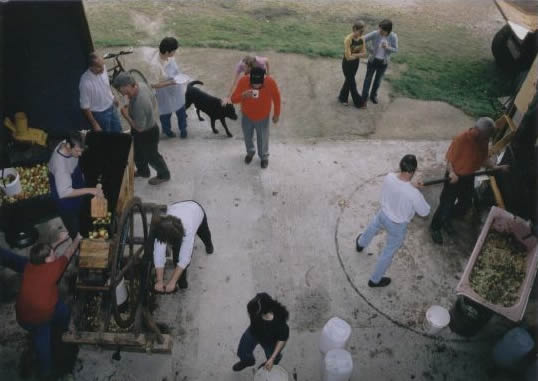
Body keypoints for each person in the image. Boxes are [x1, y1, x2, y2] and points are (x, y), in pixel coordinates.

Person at [355, 154, 430, 287]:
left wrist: (412, 185)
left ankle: (361, 244)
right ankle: (375, 280)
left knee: (373, 226)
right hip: (397, 225)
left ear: (400, 165)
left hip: (383, 214)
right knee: (388, 252)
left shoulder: (389, 177)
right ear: (413, 171)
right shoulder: (414, 194)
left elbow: (399, 183)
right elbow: (425, 212)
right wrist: (417, 189)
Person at [16, 234, 82, 379]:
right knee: (43, 348)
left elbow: (45, 250)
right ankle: (47, 374)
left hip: (22, 315)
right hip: (38, 319)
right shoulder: (54, 269)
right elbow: (68, 253)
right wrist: (77, 239)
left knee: (63, 310)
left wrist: (61, 239)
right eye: (52, 255)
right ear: (46, 260)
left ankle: (60, 330)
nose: (55, 254)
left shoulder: (30, 265)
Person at [430, 117, 502, 244]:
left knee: (466, 203)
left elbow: (483, 159)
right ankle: (435, 227)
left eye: (488, 137)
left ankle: (447, 218)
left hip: (469, 176)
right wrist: (452, 173)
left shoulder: (483, 141)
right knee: (446, 204)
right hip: (454, 177)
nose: (488, 139)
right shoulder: (461, 139)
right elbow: (450, 160)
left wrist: (495, 167)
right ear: (478, 132)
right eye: (487, 136)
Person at [113, 72, 171, 185]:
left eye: (121, 90)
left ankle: (164, 175)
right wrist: (129, 103)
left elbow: (140, 128)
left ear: (127, 86)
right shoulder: (140, 85)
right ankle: (143, 171)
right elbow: (152, 98)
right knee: (138, 152)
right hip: (142, 128)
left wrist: (126, 116)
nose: (121, 93)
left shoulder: (140, 102)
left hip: (147, 132)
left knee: (152, 156)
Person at [49, 131, 103, 239]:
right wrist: (90, 190)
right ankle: (77, 241)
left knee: (82, 208)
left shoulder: (69, 141)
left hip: (73, 174)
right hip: (64, 193)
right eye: (78, 151)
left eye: (81, 151)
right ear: (68, 146)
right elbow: (65, 192)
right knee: (73, 221)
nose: (80, 154)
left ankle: (83, 221)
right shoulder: (60, 166)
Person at [152, 201, 214, 293]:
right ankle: (182, 283)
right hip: (178, 206)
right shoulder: (162, 228)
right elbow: (158, 255)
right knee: (176, 256)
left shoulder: (189, 230)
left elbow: (185, 259)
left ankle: (209, 246)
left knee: (205, 234)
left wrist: (172, 282)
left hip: (196, 209)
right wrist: (159, 281)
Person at [231, 67, 281, 169]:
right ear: (250, 78)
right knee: (247, 136)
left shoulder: (270, 82)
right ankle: (250, 152)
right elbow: (233, 99)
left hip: (263, 117)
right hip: (247, 116)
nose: (256, 86)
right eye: (253, 83)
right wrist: (243, 96)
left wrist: (276, 114)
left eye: (259, 84)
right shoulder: (243, 80)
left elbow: (277, 98)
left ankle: (263, 157)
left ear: (264, 78)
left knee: (263, 138)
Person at [233, 293, 289, 372]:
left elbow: (282, 340)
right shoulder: (260, 301)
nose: (250, 315)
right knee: (242, 350)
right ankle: (248, 361)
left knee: (272, 355)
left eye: (252, 314)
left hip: (270, 340)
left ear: (263, 313)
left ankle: (271, 362)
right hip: (254, 331)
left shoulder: (280, 324)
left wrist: (272, 358)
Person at [149, 37, 188, 139]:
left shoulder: (169, 57)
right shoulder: (155, 65)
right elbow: (153, 84)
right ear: (167, 52)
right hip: (164, 93)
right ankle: (167, 131)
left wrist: (180, 76)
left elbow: (175, 70)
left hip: (176, 89)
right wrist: (170, 82)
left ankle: (183, 129)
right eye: (174, 50)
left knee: (181, 110)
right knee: (166, 113)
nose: (175, 52)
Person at [358, 19, 398, 108]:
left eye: (382, 30)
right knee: (368, 80)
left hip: (383, 63)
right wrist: (370, 49)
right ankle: (364, 98)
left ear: (388, 31)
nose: (380, 31)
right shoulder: (375, 33)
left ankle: (373, 96)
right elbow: (362, 39)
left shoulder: (393, 37)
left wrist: (387, 47)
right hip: (373, 61)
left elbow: (396, 49)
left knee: (378, 81)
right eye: (379, 29)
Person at [79, 52, 123, 133]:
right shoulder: (85, 82)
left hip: (112, 107)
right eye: (99, 67)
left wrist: (113, 97)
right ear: (91, 67)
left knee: (118, 131)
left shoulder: (103, 68)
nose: (103, 69)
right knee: (106, 139)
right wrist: (94, 124)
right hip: (100, 114)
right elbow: (85, 107)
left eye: (103, 65)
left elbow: (106, 85)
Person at [338, 20, 368, 107]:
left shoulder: (362, 38)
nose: (362, 33)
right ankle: (359, 103)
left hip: (355, 63)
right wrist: (358, 55)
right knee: (352, 83)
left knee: (348, 81)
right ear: (354, 29)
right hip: (347, 64)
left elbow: (364, 54)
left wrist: (354, 54)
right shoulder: (348, 39)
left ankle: (342, 97)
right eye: (361, 31)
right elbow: (348, 57)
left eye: (363, 31)